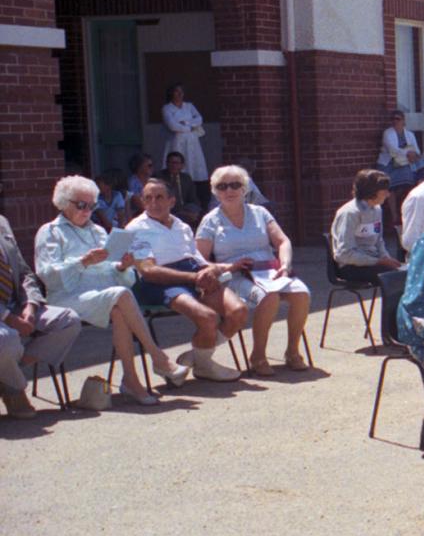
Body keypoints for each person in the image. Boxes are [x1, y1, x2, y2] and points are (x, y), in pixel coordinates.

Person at [35, 176, 190, 404]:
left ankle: (132, 382)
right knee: (120, 295)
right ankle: (158, 357)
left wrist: (122, 266)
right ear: (63, 203)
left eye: (92, 205)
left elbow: (113, 272)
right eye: (81, 205)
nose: (87, 210)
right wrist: (82, 262)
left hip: (102, 295)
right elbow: (46, 273)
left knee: (119, 306)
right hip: (67, 297)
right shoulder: (50, 232)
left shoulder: (97, 231)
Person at [195, 165, 312, 375]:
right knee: (270, 297)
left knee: (302, 294)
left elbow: (283, 241)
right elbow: (200, 260)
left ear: (245, 189)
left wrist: (285, 264)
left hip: (268, 270)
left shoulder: (260, 213)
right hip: (234, 274)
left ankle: (292, 351)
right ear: (215, 190)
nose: (229, 191)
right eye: (222, 186)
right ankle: (258, 356)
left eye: (235, 185)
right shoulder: (210, 221)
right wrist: (228, 266)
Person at [127, 176, 246, 381]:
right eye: (148, 198)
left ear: (172, 201)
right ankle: (205, 365)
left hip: (192, 274)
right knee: (208, 317)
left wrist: (213, 270)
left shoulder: (181, 225)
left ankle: (198, 358)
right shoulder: (136, 229)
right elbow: (148, 270)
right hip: (158, 283)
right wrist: (194, 278)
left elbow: (197, 259)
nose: (153, 203)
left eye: (159, 197)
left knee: (238, 311)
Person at [0, 213, 82, 418]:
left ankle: (7, 375)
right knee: (6, 340)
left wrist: (30, 305)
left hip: (15, 303)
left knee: (68, 320)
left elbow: (25, 272)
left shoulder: (2, 222)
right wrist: (9, 318)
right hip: (4, 316)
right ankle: (15, 389)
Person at [330, 169, 406, 283]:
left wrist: (386, 258)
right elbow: (343, 254)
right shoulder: (350, 213)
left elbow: (378, 240)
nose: (388, 194)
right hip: (352, 267)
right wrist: (377, 262)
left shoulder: (377, 209)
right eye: (384, 190)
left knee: (406, 272)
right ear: (372, 191)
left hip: (374, 261)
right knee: (395, 278)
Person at [161, 84, 209, 179]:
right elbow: (172, 126)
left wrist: (186, 123)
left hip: (192, 140)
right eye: (177, 91)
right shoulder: (167, 108)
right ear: (171, 93)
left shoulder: (189, 106)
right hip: (177, 141)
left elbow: (199, 119)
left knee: (193, 161)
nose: (179, 94)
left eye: (181, 92)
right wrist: (190, 128)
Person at [377, 109, 423, 188]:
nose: (395, 121)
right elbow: (392, 150)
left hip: (406, 162)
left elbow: (416, 150)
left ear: (403, 120)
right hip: (389, 163)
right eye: (392, 119)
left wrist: (414, 155)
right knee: (389, 183)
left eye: (397, 119)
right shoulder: (387, 133)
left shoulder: (410, 134)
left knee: (418, 168)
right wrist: (408, 153)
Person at [162, 151, 206, 227]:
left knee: (202, 215)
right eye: (171, 163)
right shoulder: (160, 177)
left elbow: (193, 198)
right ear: (167, 164)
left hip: (186, 208)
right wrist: (186, 213)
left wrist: (196, 212)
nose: (174, 165)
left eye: (176, 163)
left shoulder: (186, 178)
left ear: (182, 165)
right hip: (169, 209)